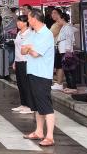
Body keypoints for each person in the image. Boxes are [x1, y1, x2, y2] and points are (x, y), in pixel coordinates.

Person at [22, 10, 56, 146]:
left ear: (35, 19)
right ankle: (39, 131)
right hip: (32, 72)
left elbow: (36, 53)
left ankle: (50, 136)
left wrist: (30, 48)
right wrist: (30, 48)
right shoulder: (33, 33)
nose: (28, 21)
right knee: (37, 105)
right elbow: (23, 50)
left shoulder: (47, 34)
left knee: (45, 105)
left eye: (29, 18)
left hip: (42, 74)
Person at [10, 15, 33, 115]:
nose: (18, 23)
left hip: (26, 61)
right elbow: (17, 49)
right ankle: (23, 104)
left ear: (26, 23)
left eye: (21, 21)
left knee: (26, 84)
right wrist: (15, 61)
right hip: (19, 61)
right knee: (20, 84)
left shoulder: (29, 33)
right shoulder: (19, 33)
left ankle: (30, 106)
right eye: (18, 21)